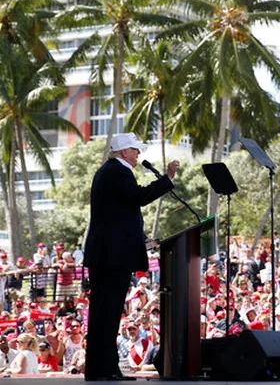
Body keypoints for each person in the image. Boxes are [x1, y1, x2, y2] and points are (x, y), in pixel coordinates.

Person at [83, 132, 178, 382]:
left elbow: (119, 214)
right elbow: (139, 197)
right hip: (111, 257)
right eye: (135, 150)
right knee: (108, 313)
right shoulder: (117, 172)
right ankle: (104, 369)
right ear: (124, 152)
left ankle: (102, 368)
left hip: (109, 253)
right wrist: (166, 179)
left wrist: (138, 240)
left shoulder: (112, 171)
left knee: (106, 313)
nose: (138, 154)